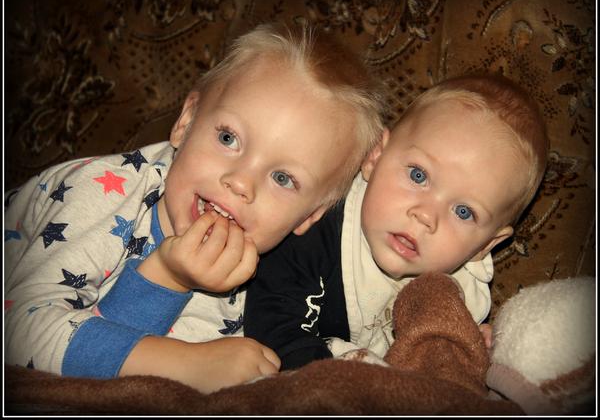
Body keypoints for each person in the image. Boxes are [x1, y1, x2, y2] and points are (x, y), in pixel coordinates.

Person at [4, 22, 388, 393]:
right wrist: (179, 339)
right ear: (186, 121)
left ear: (310, 216)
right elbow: (19, 336)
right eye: (228, 138)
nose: (241, 182)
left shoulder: (270, 278)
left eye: (283, 178)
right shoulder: (99, 191)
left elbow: (107, 380)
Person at [244, 73, 549, 370]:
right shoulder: (317, 222)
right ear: (375, 156)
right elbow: (272, 324)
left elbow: (436, 371)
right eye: (418, 175)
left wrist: (469, 350)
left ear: (486, 245)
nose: (425, 215)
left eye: (463, 212)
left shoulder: (455, 295)